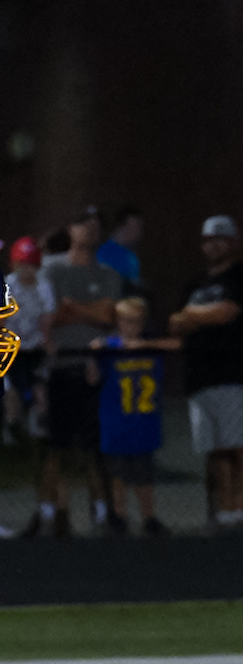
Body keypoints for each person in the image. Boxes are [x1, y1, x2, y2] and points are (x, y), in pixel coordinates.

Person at [168, 215, 243, 530]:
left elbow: (226, 312)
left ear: (234, 242)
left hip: (235, 373)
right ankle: (224, 509)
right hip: (200, 376)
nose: (215, 245)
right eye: (209, 240)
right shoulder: (195, 283)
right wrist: (196, 316)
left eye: (221, 239)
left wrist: (192, 315)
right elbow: (175, 324)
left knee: (240, 446)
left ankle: (242, 508)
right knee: (215, 450)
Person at [28, 211, 121, 538]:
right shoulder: (52, 270)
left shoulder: (107, 273)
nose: (89, 231)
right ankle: (48, 513)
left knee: (95, 447)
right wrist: (88, 311)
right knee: (55, 446)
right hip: (59, 369)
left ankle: (102, 512)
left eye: (95, 227)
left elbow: (109, 315)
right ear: (70, 229)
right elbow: (49, 316)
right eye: (83, 225)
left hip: (95, 369)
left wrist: (74, 309)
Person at [91, 297, 178, 536]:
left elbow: (176, 344)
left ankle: (148, 516)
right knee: (118, 474)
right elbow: (93, 377)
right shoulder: (110, 347)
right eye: (127, 321)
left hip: (144, 421)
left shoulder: (150, 347)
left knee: (144, 474)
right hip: (117, 421)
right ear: (118, 322)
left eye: (137, 321)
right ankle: (120, 515)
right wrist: (94, 354)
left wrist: (143, 345)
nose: (132, 326)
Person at [3, 237, 54, 444]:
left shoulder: (43, 286)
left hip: (34, 344)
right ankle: (12, 423)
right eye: (21, 264)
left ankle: (39, 422)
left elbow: (46, 316)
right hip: (11, 344)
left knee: (39, 385)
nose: (25, 270)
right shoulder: (8, 285)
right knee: (10, 387)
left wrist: (47, 340)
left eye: (30, 265)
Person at [96, 205, 144, 290]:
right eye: (135, 227)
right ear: (121, 227)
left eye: (139, 228)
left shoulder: (132, 256)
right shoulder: (101, 252)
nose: (138, 232)